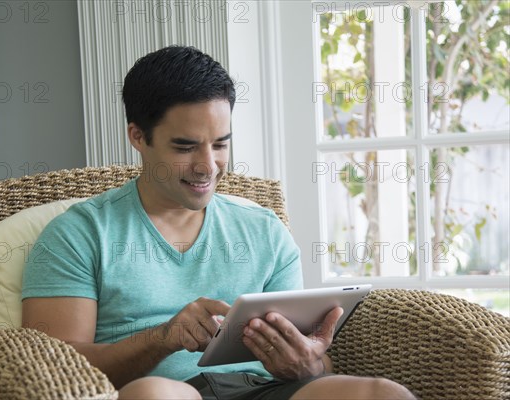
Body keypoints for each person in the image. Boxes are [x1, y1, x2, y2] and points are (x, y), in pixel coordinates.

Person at [22, 45, 416, 400]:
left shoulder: (265, 230)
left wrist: (308, 364)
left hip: (265, 390)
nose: (208, 166)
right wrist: (163, 339)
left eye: (221, 143)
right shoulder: (77, 235)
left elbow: (311, 370)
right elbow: (53, 369)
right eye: (185, 146)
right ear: (138, 136)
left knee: (385, 394)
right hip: (167, 394)